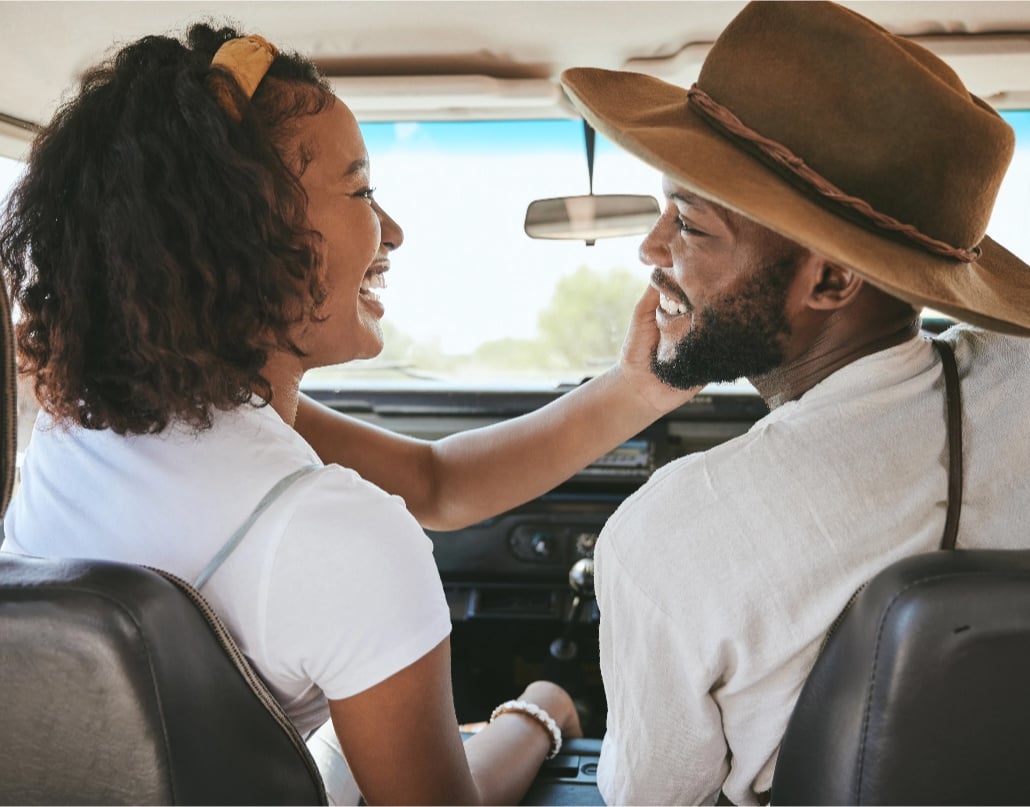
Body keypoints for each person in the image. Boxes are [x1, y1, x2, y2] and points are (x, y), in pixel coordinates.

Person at [0, 23, 693, 806]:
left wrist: (642, 387)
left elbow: (436, 482)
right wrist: (540, 711)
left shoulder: (81, 426)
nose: (392, 230)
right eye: (362, 192)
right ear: (244, 232)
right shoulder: (333, 532)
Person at [553, 2, 1030, 804]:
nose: (650, 247)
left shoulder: (670, 537)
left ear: (832, 280)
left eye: (691, 226)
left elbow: (653, 797)